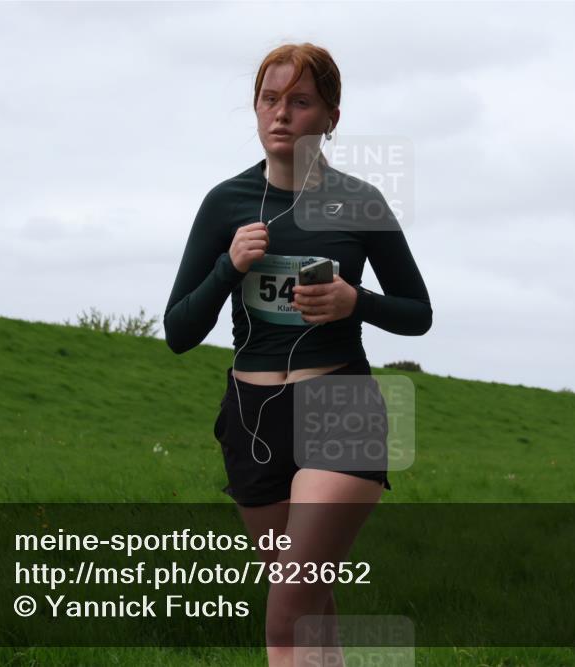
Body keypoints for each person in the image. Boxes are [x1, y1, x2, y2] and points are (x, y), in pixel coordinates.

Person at [164, 42, 432, 666]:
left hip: (338, 404)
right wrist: (228, 268)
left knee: (290, 599)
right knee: (310, 605)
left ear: (330, 117)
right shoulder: (224, 204)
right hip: (251, 418)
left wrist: (353, 300)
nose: (280, 114)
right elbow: (179, 330)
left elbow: (417, 314)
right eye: (269, 99)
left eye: (300, 101)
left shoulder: (360, 202)